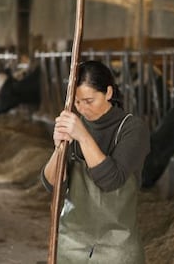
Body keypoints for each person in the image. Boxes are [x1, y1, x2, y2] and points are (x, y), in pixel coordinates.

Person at [41, 60, 150, 263]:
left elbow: (111, 180)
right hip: (71, 243)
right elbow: (51, 184)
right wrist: (59, 149)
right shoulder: (76, 126)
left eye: (89, 101)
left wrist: (83, 137)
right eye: (77, 102)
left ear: (108, 93)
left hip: (116, 247)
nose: (82, 109)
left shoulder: (132, 129)